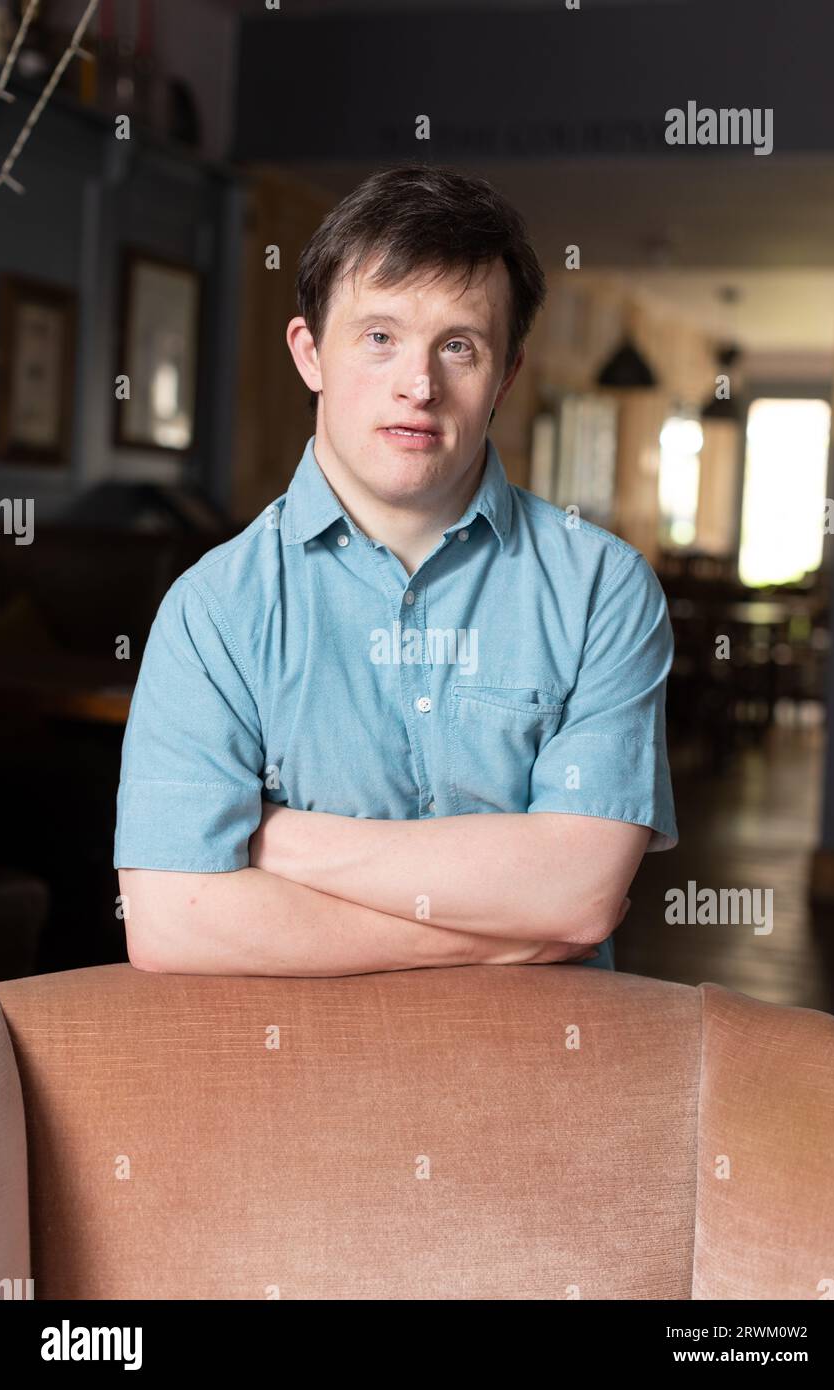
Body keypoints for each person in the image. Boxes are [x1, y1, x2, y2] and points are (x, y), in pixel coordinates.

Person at [114, 162, 678, 977]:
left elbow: (579, 895)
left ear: (505, 378)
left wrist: (273, 839)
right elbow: (173, 923)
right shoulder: (213, 611)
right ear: (310, 353)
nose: (418, 385)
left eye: (459, 346)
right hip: (294, 1082)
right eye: (378, 337)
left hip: (548, 1081)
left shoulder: (603, 590)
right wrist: (495, 930)